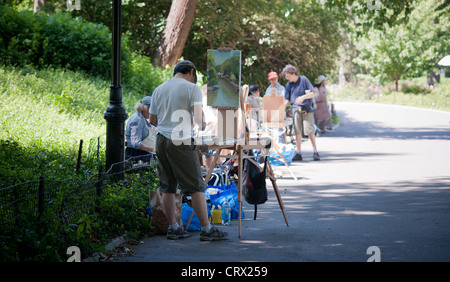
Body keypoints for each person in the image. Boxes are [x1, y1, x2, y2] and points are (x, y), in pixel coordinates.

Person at [149, 60, 228, 241]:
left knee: (167, 186)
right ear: (191, 72)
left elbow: (153, 120)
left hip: (161, 140)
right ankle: (207, 230)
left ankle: (173, 228)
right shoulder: (191, 88)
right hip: (181, 139)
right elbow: (199, 119)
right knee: (195, 186)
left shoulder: (159, 89)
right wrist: (203, 124)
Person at [281, 64, 320, 161]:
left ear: (293, 74)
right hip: (295, 111)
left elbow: (313, 93)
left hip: (307, 109)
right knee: (297, 132)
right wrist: (281, 108)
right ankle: (298, 153)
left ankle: (315, 151)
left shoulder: (304, 80)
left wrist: (303, 97)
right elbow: (286, 99)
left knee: (310, 131)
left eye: (288, 76)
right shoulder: (289, 85)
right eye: (286, 77)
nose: (287, 78)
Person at [125, 96, 156, 163]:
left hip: (144, 155)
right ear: (146, 109)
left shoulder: (143, 118)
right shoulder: (137, 119)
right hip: (136, 156)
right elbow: (136, 143)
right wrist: (154, 149)